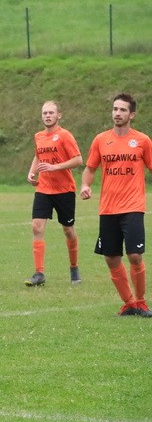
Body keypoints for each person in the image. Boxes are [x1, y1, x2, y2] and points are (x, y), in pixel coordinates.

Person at [80, 93, 152, 317]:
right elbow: (90, 168)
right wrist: (85, 185)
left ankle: (141, 302)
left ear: (132, 115)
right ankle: (129, 303)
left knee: (134, 255)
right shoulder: (101, 140)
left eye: (122, 110)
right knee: (111, 257)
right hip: (108, 208)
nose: (117, 113)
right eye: (115, 109)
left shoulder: (142, 141)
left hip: (133, 206)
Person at [24, 100, 83, 287]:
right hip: (44, 188)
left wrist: (54, 167)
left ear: (59, 115)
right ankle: (39, 273)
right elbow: (38, 156)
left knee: (68, 230)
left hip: (64, 190)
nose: (47, 116)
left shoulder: (65, 135)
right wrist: (32, 173)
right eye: (45, 113)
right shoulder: (39, 136)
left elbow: (78, 160)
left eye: (51, 112)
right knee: (36, 227)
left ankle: (74, 267)